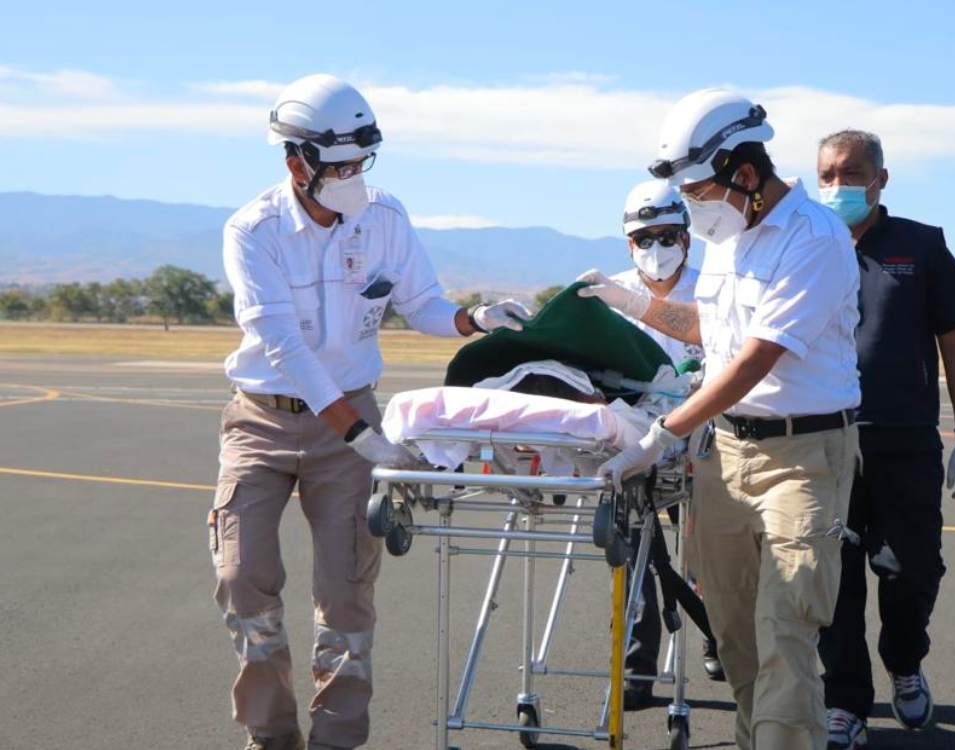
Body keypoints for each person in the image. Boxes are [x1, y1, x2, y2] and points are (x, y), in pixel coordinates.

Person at [210, 73, 529, 750]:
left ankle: (337, 739)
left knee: (348, 591)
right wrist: (359, 436)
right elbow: (285, 345)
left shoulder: (385, 217)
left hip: (350, 415)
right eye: (338, 165)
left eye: (361, 162)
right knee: (243, 580)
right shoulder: (254, 230)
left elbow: (423, 305)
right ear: (296, 161)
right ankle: (271, 736)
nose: (353, 176)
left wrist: (477, 319)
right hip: (263, 421)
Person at [578, 88, 861, 750]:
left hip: (802, 458)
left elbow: (757, 358)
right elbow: (716, 332)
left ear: (746, 172)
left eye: (701, 189)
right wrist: (630, 303)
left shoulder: (814, 239)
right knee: (734, 637)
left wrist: (661, 435)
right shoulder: (730, 235)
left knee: (785, 631)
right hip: (726, 457)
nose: (693, 206)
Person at [813, 129, 955, 749]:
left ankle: (905, 659)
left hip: (905, 441)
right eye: (827, 175)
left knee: (913, 571)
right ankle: (846, 702)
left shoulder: (921, 245)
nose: (838, 186)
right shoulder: (807, 243)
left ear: (881, 178)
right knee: (834, 582)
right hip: (824, 442)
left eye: (852, 173)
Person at [611, 180, 723, 710]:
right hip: (637, 446)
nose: (657, 247)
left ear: (687, 235)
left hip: (705, 445)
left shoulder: (714, 290)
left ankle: (721, 636)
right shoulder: (607, 297)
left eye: (668, 234)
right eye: (645, 237)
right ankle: (638, 666)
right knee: (636, 559)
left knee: (710, 558)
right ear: (627, 241)